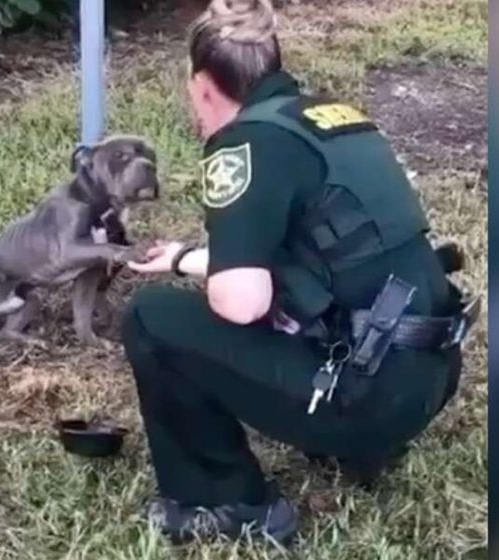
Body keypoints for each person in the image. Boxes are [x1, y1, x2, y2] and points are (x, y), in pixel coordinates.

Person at [119, 0, 480, 547]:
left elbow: (240, 303)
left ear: (204, 84)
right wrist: (182, 258)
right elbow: (318, 261)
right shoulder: (333, 119)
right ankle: (363, 445)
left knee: (151, 318)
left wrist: (194, 279)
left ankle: (225, 499)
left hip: (366, 400)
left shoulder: (243, 145)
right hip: (427, 377)